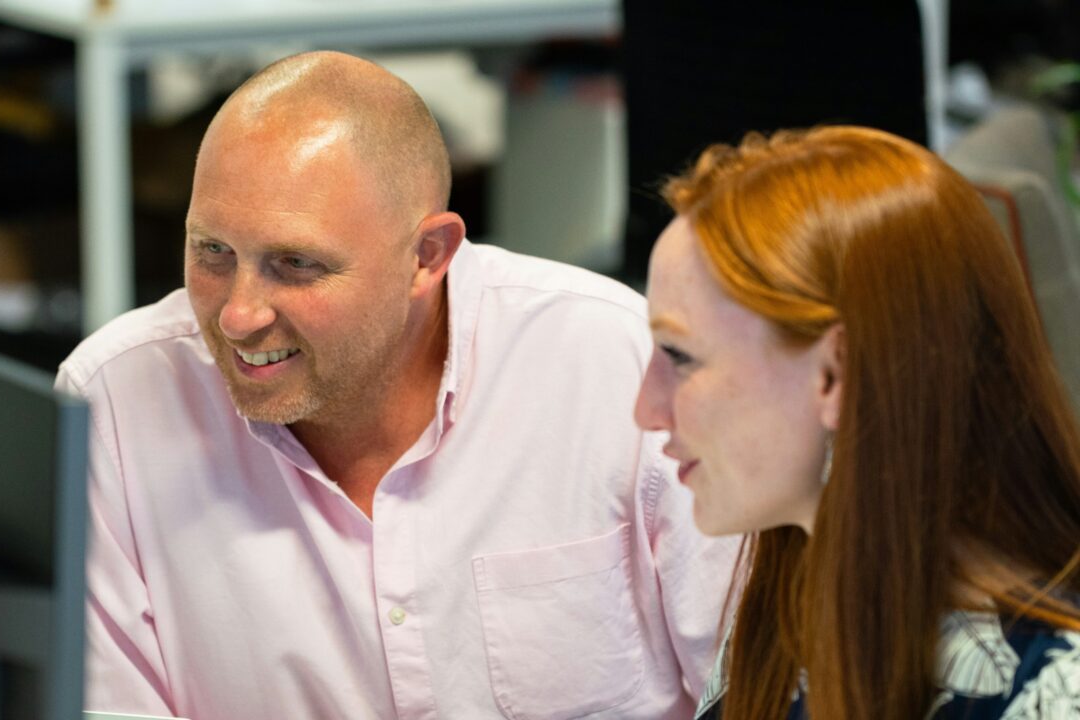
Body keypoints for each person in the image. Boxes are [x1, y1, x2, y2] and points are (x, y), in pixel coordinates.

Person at [56, 51, 735, 719]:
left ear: (426, 257)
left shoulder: (613, 365)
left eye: (294, 264)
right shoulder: (115, 403)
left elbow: (761, 688)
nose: (238, 314)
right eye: (212, 252)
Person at [635, 125, 1080, 719]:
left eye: (681, 356)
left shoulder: (1053, 693)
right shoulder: (788, 617)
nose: (646, 409)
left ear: (835, 374)